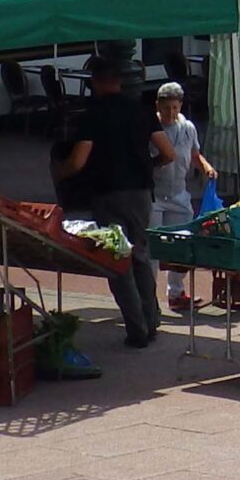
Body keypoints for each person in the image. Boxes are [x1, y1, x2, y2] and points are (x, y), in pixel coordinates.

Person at [60, 57, 174, 348]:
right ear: (120, 81)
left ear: (96, 82)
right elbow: (169, 153)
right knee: (139, 255)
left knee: (117, 258)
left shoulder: (92, 115)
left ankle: (136, 329)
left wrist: (61, 172)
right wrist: (149, 165)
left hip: (108, 193)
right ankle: (152, 319)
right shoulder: (141, 111)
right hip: (139, 192)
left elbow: (78, 161)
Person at [151, 81, 215, 313]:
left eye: (175, 108)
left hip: (179, 193)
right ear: (157, 105)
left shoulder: (188, 128)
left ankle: (176, 293)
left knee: (183, 242)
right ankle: (149, 297)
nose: (171, 113)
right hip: (154, 195)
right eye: (166, 108)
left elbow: (195, 154)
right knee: (153, 247)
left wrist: (206, 167)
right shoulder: (151, 127)